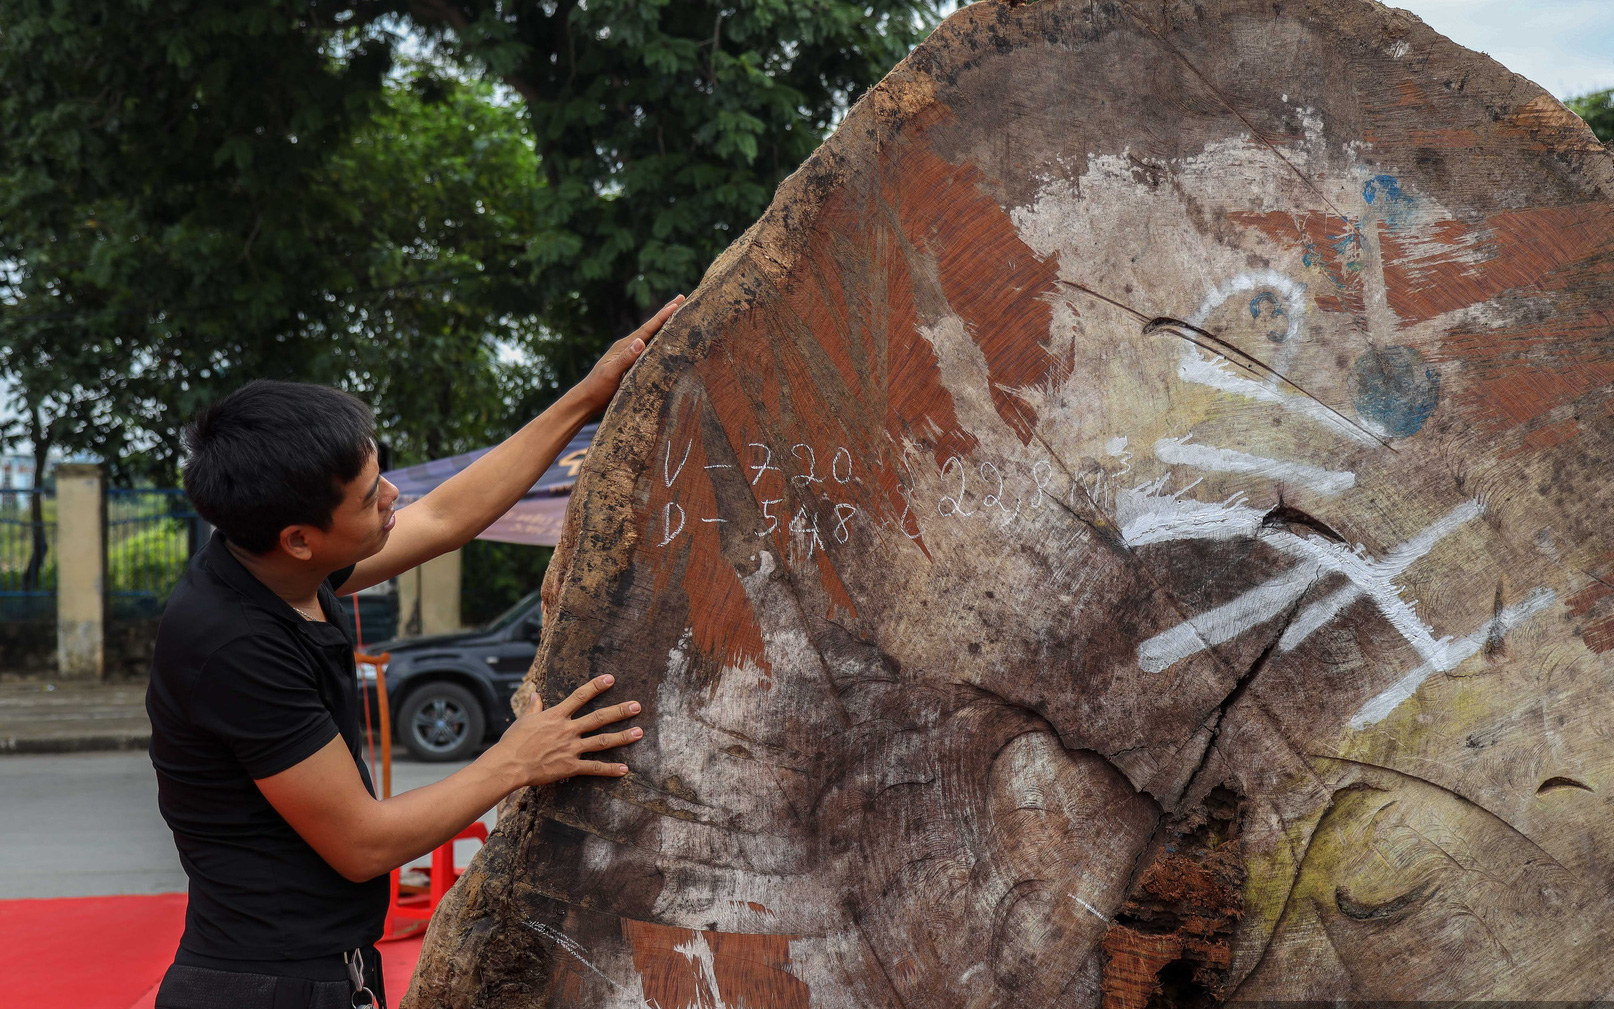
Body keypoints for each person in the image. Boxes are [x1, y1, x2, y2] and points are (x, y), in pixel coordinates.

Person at [146, 295, 685, 1008]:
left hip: (321, 966)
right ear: (300, 537)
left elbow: (445, 515)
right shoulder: (233, 644)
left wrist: (587, 395)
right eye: (371, 497)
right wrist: (518, 758)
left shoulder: (276, 563)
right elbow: (363, 843)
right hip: (263, 984)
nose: (395, 496)